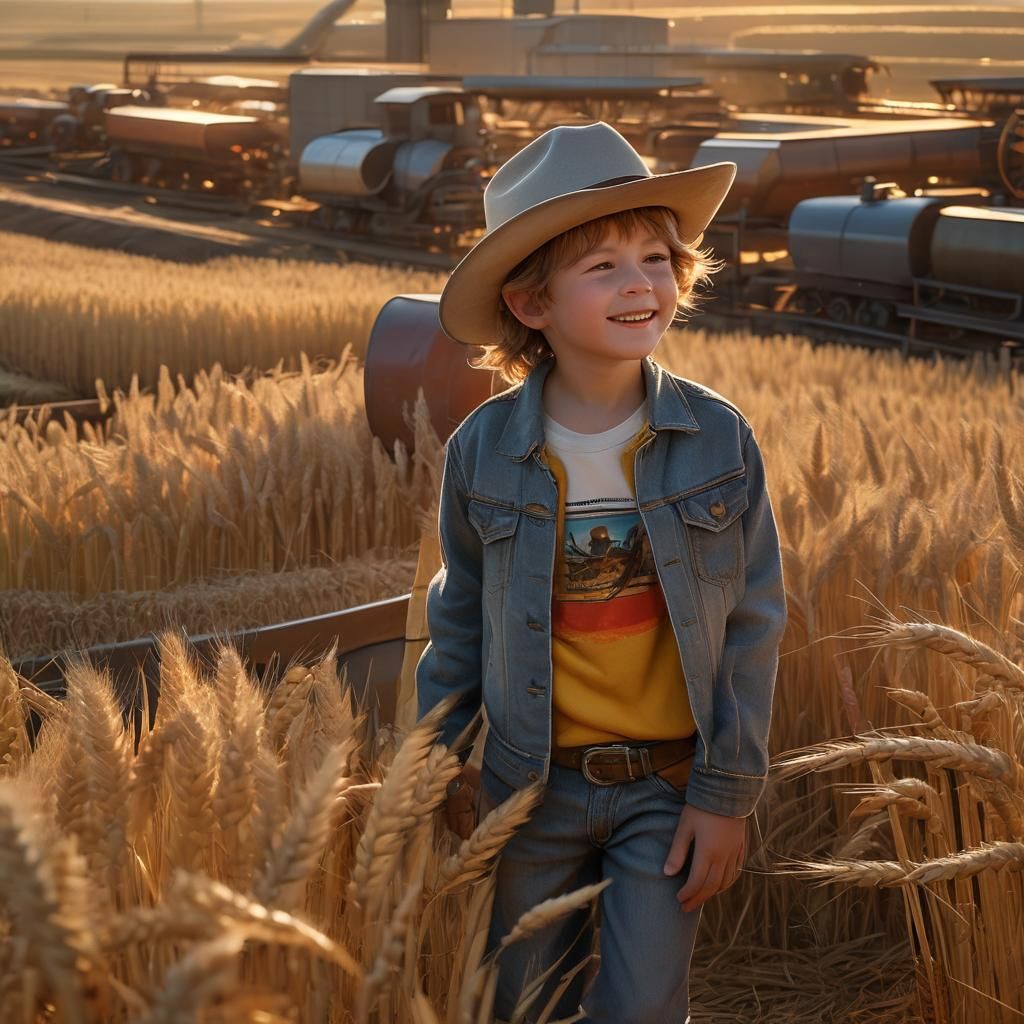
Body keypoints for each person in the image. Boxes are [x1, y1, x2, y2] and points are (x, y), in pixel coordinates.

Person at [416, 121, 788, 1024]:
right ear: (533, 304)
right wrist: (436, 766)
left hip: (667, 789)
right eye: (604, 266)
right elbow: (459, 613)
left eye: (657, 257)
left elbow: (752, 623)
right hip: (527, 789)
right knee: (523, 1003)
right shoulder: (484, 451)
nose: (641, 283)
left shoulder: (718, 440)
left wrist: (726, 796)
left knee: (643, 1007)